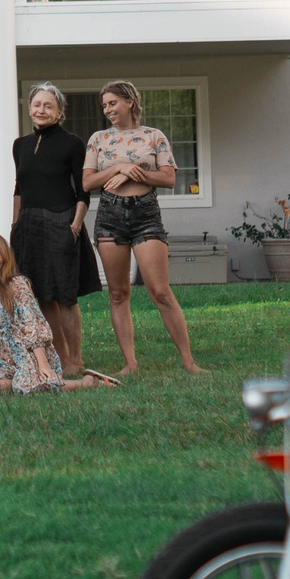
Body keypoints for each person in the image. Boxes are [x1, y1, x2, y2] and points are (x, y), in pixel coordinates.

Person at [83, 80, 203, 376]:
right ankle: (130, 363)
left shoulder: (153, 136)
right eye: (104, 105)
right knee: (118, 293)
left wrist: (135, 174)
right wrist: (118, 169)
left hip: (146, 213)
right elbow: (87, 182)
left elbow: (168, 179)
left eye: (112, 103)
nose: (107, 110)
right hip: (110, 215)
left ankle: (189, 362)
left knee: (160, 291)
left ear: (130, 103)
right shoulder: (98, 139)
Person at [9, 82, 103, 377]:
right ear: (29, 108)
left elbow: (84, 190)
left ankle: (76, 358)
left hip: (63, 221)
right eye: (37, 105)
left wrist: (75, 224)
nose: (41, 110)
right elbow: (19, 187)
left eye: (48, 106)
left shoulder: (73, 143)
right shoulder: (20, 145)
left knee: (65, 295)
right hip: (28, 224)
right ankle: (59, 356)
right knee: (42, 294)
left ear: (60, 111)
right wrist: (15, 225)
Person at [0, 231, 87, 394]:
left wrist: (43, 364)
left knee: (22, 385)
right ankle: (38, 384)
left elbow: (32, 324)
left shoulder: (17, 285)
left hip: (24, 355)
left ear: (5, 257)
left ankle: (85, 383)